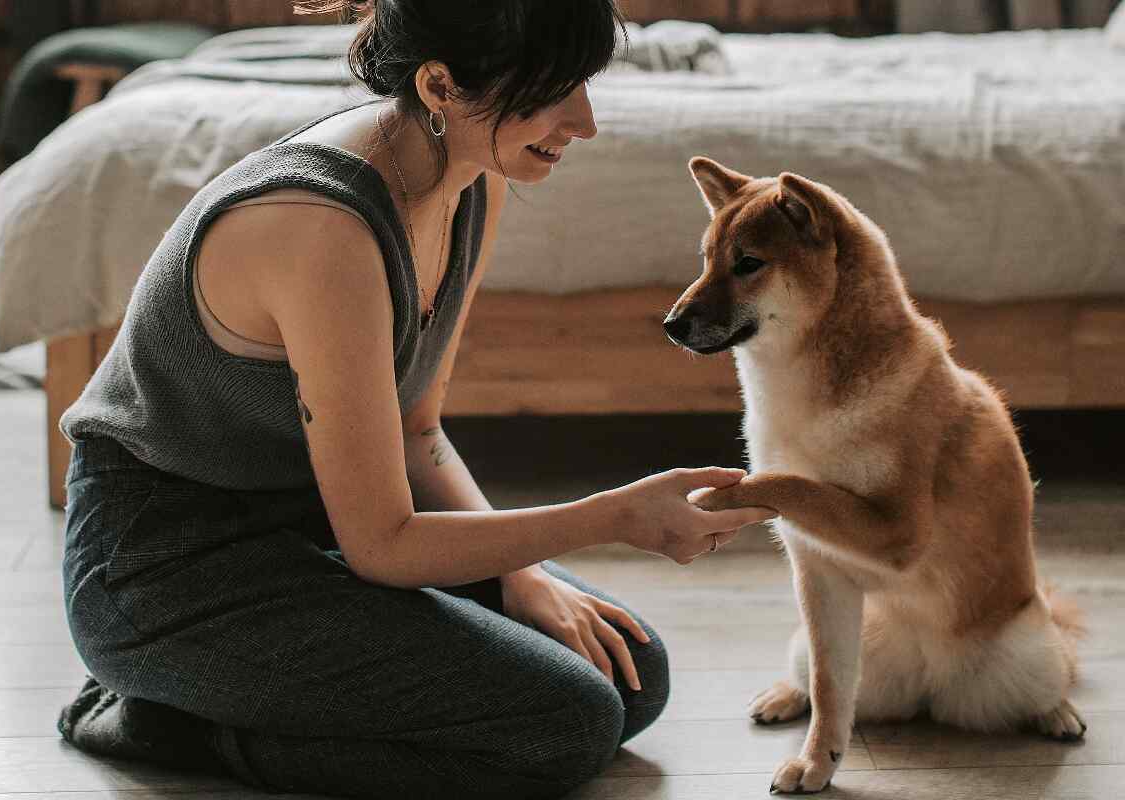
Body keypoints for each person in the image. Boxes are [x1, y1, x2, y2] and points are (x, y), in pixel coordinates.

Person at [55, 1, 775, 797]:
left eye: (583, 85)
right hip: (164, 567)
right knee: (564, 724)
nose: (585, 122)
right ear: (438, 85)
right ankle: (168, 719)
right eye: (550, 93)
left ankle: (251, 696)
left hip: (310, 523)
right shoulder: (322, 230)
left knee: (632, 675)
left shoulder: (467, 179)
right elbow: (384, 545)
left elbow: (416, 428)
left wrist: (525, 573)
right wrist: (613, 515)